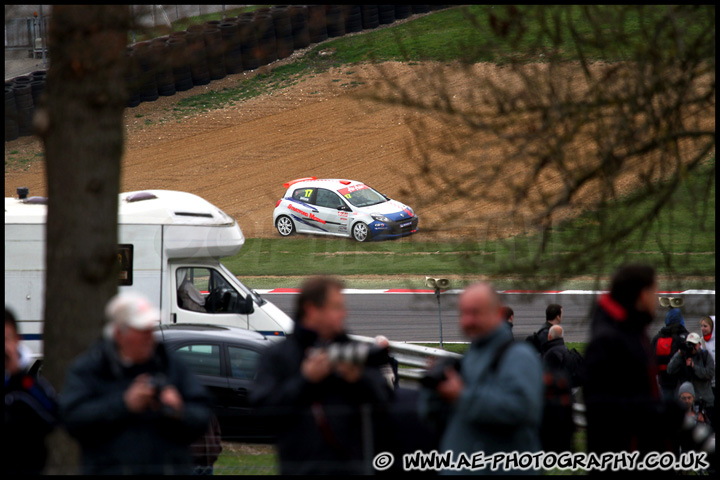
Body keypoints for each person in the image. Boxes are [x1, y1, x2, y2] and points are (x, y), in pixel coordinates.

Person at [250, 276, 393, 475]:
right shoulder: (278, 356)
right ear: (311, 309)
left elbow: (387, 403)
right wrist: (305, 380)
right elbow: (264, 414)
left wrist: (358, 379)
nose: (344, 314)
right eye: (336, 307)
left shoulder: (353, 352)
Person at [60, 292, 212, 475]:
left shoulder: (170, 365)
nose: (149, 336)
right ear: (118, 333)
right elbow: (72, 419)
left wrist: (179, 411)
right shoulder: (92, 369)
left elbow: (203, 414)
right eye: (141, 330)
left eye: (151, 328)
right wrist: (123, 404)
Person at [419, 282, 543, 474]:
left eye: (475, 313)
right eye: (463, 313)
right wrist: (434, 391)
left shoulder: (518, 355)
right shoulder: (471, 356)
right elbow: (433, 417)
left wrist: (461, 396)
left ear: (498, 313)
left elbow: (521, 408)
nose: (468, 321)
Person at [584, 264, 685, 461]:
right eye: (654, 291)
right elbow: (603, 409)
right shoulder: (608, 340)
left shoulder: (633, 331)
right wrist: (659, 411)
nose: (656, 299)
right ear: (642, 294)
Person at [5, 308, 59, 475]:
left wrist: (18, 376)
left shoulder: (28, 385)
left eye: (6, 339)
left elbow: (53, 414)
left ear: (17, 341)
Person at [667, 332, 715, 425]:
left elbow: (709, 374)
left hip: (704, 400)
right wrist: (679, 354)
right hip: (687, 401)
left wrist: (694, 367)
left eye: (694, 344)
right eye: (689, 344)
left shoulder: (705, 356)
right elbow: (670, 370)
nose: (691, 347)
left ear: (699, 345)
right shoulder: (682, 356)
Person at [651, 307, 689, 400]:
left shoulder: (658, 336)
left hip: (663, 378)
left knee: (666, 404)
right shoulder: (684, 336)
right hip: (680, 378)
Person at [700, 316, 715, 400]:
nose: (702, 328)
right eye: (701, 326)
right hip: (706, 382)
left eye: (705, 326)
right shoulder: (701, 341)